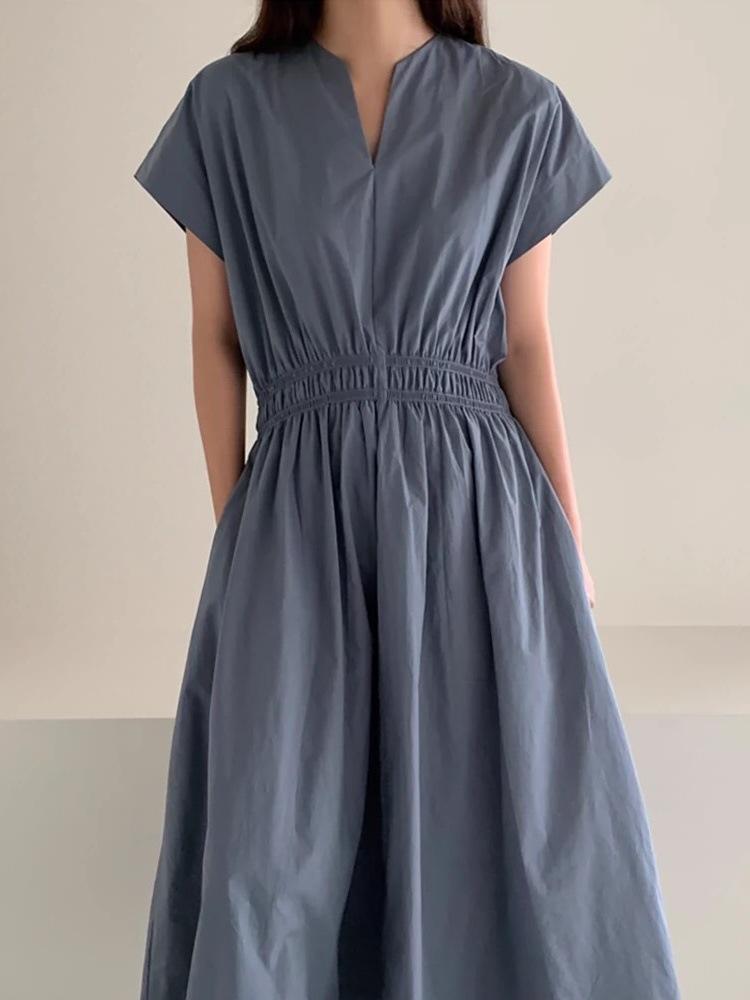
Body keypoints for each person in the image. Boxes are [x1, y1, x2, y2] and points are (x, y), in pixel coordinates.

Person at [133, 1, 682, 997]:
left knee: (498, 834)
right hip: (296, 514)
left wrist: (568, 538)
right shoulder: (225, 109)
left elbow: (526, 346)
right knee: (270, 854)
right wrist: (238, 533)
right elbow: (216, 340)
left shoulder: (516, 108)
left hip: (476, 519)